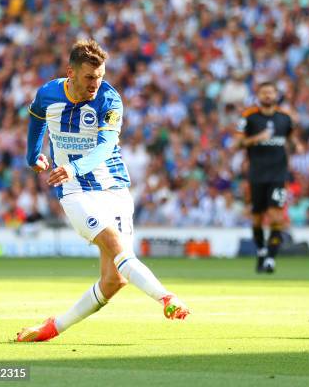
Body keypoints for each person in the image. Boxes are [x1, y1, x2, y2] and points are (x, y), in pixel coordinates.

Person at [17, 39, 189, 342]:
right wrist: (33, 156)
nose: (95, 84)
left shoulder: (110, 99)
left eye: (100, 76)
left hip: (114, 188)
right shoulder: (48, 93)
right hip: (74, 191)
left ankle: (53, 326)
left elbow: (106, 145)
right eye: (88, 77)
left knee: (115, 280)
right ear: (71, 72)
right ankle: (166, 297)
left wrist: (74, 166)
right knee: (116, 245)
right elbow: (36, 119)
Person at [235, 81, 300, 273]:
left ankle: (271, 258)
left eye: (271, 92)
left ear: (276, 94)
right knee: (256, 218)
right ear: (258, 95)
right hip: (256, 174)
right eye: (264, 93)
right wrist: (257, 138)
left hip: (278, 174)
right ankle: (262, 250)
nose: (268, 96)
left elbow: (292, 140)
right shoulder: (248, 117)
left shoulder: (285, 118)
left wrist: (297, 146)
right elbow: (238, 144)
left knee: (276, 216)